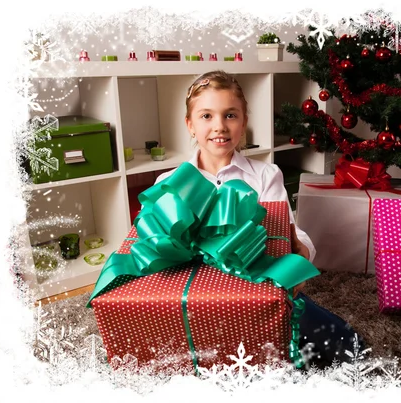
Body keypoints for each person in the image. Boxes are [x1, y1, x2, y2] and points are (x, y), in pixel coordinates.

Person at [154, 70, 366, 369]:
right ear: (189, 125)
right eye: (206, 116)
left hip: (257, 289)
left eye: (230, 115)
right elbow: (155, 248)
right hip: (197, 300)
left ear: (244, 122)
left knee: (342, 346)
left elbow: (287, 233)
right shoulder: (168, 182)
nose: (219, 126)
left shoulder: (265, 175)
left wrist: (300, 252)